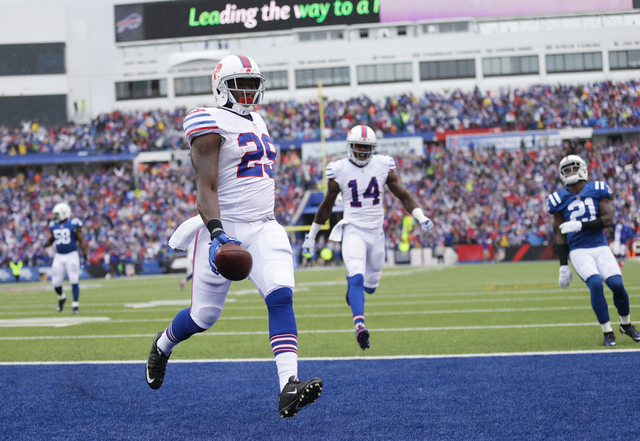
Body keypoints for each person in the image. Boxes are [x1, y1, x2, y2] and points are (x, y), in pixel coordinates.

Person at [144, 54, 322, 419]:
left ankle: (288, 386)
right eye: (238, 84)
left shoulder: (259, 120)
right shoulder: (207, 120)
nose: (247, 91)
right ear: (220, 87)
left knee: (281, 293)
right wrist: (218, 233)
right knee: (203, 317)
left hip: (264, 224)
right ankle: (162, 346)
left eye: (252, 84)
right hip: (223, 227)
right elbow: (205, 186)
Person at [302, 124, 434, 351]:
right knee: (357, 278)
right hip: (353, 229)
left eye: (366, 148)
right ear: (350, 147)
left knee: (371, 286)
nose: (362, 152)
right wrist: (311, 236)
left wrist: (421, 217)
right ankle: (359, 325)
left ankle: (354, 291)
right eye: (358, 147)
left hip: (376, 232)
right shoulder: (338, 169)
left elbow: (403, 195)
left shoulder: (383, 164)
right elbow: (326, 205)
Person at [547, 155, 640, 346]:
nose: (571, 173)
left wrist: (579, 225)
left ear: (582, 169)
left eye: (574, 168)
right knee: (596, 284)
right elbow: (559, 234)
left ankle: (626, 325)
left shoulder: (598, 189)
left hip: (600, 246)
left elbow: (608, 220)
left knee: (616, 284)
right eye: (567, 170)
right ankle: (607, 332)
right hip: (579, 250)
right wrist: (563, 265)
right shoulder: (558, 199)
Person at [44, 202, 89, 313]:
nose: (55, 216)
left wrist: (84, 254)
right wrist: (46, 244)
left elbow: (81, 240)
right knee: (56, 283)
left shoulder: (74, 223)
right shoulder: (53, 225)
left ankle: (75, 304)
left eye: (57, 214)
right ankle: (62, 297)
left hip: (72, 255)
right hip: (59, 256)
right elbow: (51, 239)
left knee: (74, 279)